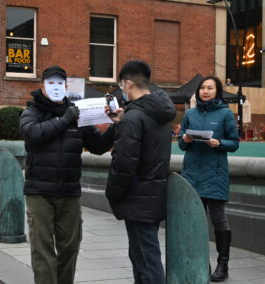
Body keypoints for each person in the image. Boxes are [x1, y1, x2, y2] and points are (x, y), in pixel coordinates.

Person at [20, 65, 123, 284]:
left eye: (60, 83)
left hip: (69, 192)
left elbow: (97, 146)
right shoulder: (33, 111)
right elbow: (32, 134)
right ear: (42, 86)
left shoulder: (79, 112)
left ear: (66, 86)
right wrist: (64, 120)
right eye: (51, 83)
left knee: (70, 247)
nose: (56, 87)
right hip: (40, 191)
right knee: (42, 248)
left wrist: (115, 126)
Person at [105, 60, 176, 283]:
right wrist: (120, 122)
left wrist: (113, 193)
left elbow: (124, 162)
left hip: (137, 197)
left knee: (146, 260)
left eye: (121, 86)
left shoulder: (134, 117)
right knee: (145, 256)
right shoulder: (160, 115)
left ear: (128, 84)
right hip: (154, 194)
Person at [178, 76, 239, 282]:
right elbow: (182, 145)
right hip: (192, 174)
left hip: (215, 174)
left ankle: (223, 265)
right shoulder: (191, 114)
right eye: (202, 88)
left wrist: (218, 143)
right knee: (196, 220)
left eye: (210, 88)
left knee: (218, 220)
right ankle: (203, 262)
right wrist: (185, 138)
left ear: (217, 91)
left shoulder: (225, 114)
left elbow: (234, 143)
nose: (205, 91)